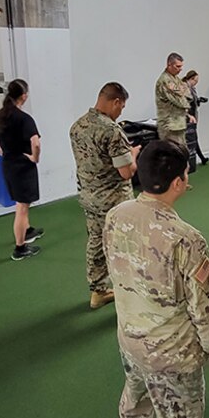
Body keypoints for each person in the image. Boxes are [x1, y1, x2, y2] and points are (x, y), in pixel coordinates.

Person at [104, 140, 209, 418]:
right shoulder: (186, 240)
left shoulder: (116, 215)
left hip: (130, 335)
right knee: (179, 415)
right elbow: (204, 306)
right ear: (177, 182)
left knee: (136, 391)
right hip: (171, 351)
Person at [70, 82, 140, 309]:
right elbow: (126, 172)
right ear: (116, 101)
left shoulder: (78, 126)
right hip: (114, 201)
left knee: (96, 243)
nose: (121, 112)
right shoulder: (111, 130)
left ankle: (98, 292)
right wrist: (133, 155)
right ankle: (130, 294)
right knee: (124, 246)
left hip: (89, 197)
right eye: (122, 107)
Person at [0, 79, 44, 260]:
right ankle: (20, 248)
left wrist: (3, 152)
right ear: (24, 96)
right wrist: (35, 157)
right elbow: (36, 143)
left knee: (23, 202)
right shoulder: (24, 119)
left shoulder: (1, 115)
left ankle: (27, 230)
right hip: (23, 167)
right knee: (21, 207)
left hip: (9, 165)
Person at [155, 52, 192, 148]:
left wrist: (183, 94)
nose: (180, 69)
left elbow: (188, 93)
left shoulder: (175, 79)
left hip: (179, 123)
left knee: (183, 154)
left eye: (181, 66)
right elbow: (180, 101)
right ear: (169, 65)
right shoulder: (165, 80)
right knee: (173, 157)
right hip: (170, 125)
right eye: (178, 66)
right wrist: (183, 96)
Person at [183, 69, 209, 168]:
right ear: (190, 79)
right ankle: (201, 157)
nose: (196, 83)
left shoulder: (192, 89)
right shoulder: (184, 88)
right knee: (193, 138)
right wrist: (188, 115)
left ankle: (200, 157)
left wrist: (199, 100)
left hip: (193, 115)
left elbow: (193, 101)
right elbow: (184, 104)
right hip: (187, 117)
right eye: (195, 81)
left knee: (193, 138)